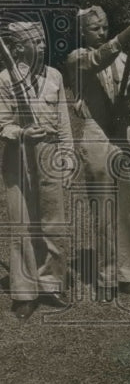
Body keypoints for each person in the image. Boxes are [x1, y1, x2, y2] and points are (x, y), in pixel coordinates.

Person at [64, 5, 130, 301]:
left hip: (123, 133)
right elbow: (97, 61)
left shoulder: (125, 58)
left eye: (105, 26)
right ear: (82, 32)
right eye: (95, 29)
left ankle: (127, 273)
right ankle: (107, 276)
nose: (102, 32)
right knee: (104, 209)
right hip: (97, 134)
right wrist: (121, 39)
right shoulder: (77, 58)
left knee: (127, 207)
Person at [0, 21, 73, 320]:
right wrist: (21, 133)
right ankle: (24, 291)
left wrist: (67, 156)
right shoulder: (4, 79)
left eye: (44, 41)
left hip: (49, 154)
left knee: (52, 221)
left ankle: (51, 283)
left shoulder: (53, 76)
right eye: (37, 42)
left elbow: (64, 121)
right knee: (22, 222)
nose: (44, 46)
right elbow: (2, 123)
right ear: (18, 48)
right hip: (18, 157)